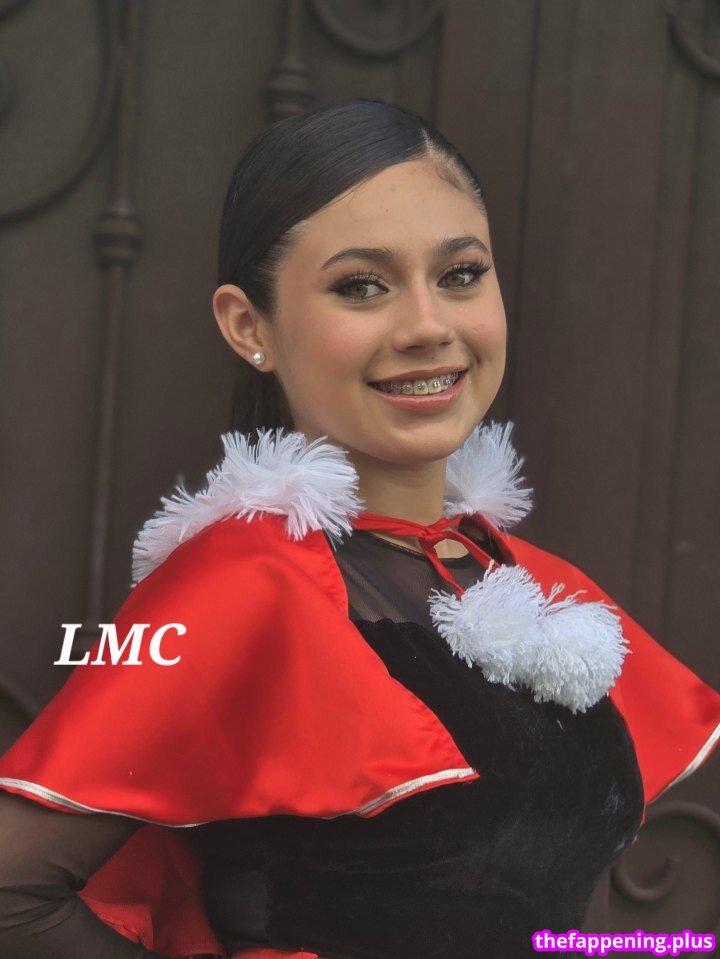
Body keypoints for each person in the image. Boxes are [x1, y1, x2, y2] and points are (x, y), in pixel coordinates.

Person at [0, 98, 718, 959]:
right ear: (249, 326)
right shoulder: (234, 584)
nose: (428, 326)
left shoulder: (527, 583)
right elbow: (13, 893)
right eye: (361, 287)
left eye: (460, 274)